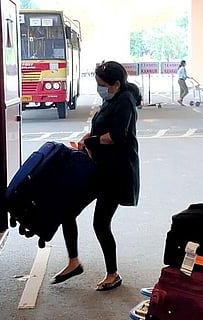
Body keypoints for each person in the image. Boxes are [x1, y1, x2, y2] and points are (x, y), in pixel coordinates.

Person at [50, 60, 142, 291]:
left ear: (116, 84)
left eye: (102, 84)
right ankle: (74, 262)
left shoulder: (125, 101)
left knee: (101, 223)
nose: (99, 88)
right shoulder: (110, 98)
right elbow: (101, 127)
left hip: (116, 173)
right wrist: (87, 137)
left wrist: (91, 141)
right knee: (66, 209)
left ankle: (113, 274)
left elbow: (117, 136)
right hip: (99, 168)